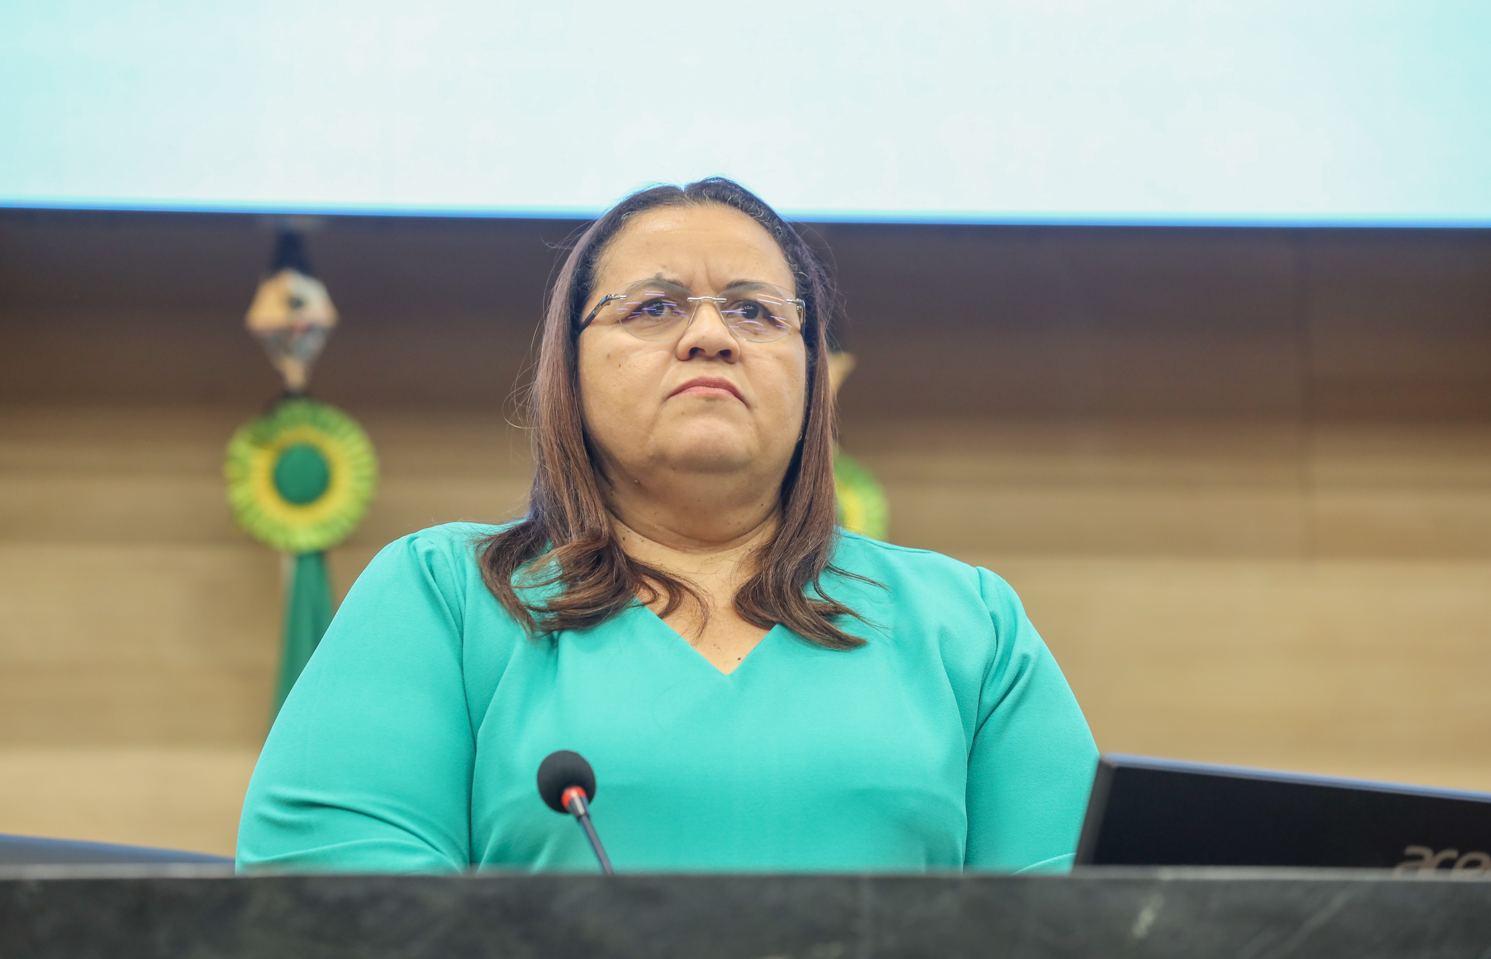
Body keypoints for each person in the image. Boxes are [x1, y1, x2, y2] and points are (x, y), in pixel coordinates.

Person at [237, 178, 1098, 873]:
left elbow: (1090, 925)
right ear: (570, 366)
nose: (711, 336)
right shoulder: (445, 600)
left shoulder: (969, 626)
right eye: (653, 308)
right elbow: (330, 908)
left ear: (813, 374)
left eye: (757, 312)